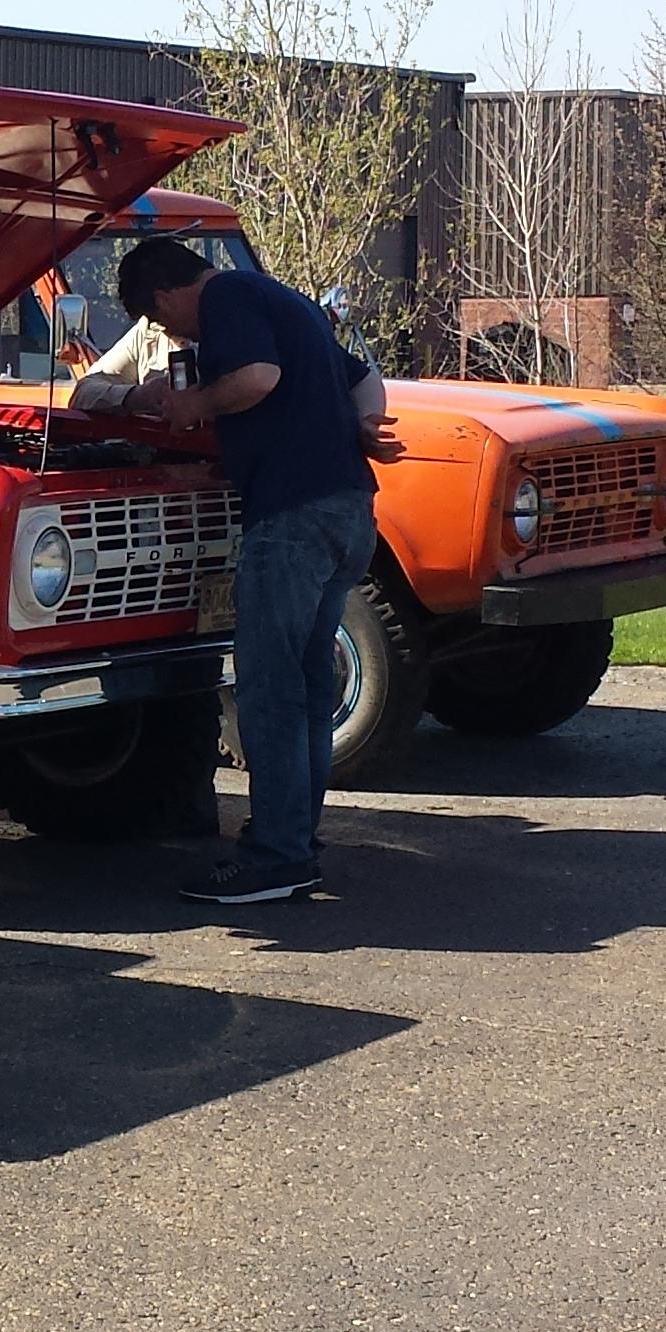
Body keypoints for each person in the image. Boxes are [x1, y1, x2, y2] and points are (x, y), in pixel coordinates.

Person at [117, 237, 400, 904]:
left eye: (158, 318)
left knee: (269, 689)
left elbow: (257, 378)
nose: (169, 333)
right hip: (349, 510)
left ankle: (276, 856)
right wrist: (364, 426)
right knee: (308, 684)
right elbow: (364, 378)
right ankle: (296, 836)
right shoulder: (284, 298)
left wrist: (196, 403)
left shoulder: (228, 297)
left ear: (165, 295)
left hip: (291, 516)